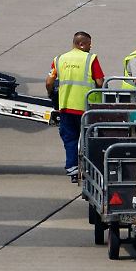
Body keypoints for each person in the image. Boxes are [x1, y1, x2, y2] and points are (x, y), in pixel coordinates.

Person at [46, 32, 104, 183]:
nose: (91, 46)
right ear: (81, 44)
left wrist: (51, 94)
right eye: (89, 44)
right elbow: (99, 82)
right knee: (89, 139)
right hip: (86, 108)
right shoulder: (90, 59)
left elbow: (49, 82)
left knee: (70, 139)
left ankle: (73, 170)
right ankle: (90, 170)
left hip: (66, 107)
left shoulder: (59, 59)